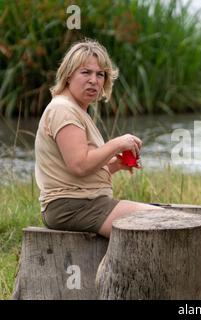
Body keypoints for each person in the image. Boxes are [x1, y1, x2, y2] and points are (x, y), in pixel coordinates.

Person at [35, 39, 163, 238]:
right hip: (73, 207)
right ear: (68, 75)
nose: (94, 80)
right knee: (164, 222)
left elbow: (78, 171)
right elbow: (79, 165)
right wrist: (117, 143)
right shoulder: (63, 110)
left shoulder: (75, 109)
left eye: (100, 74)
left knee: (167, 220)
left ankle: (114, 268)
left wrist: (114, 165)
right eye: (86, 72)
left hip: (80, 203)